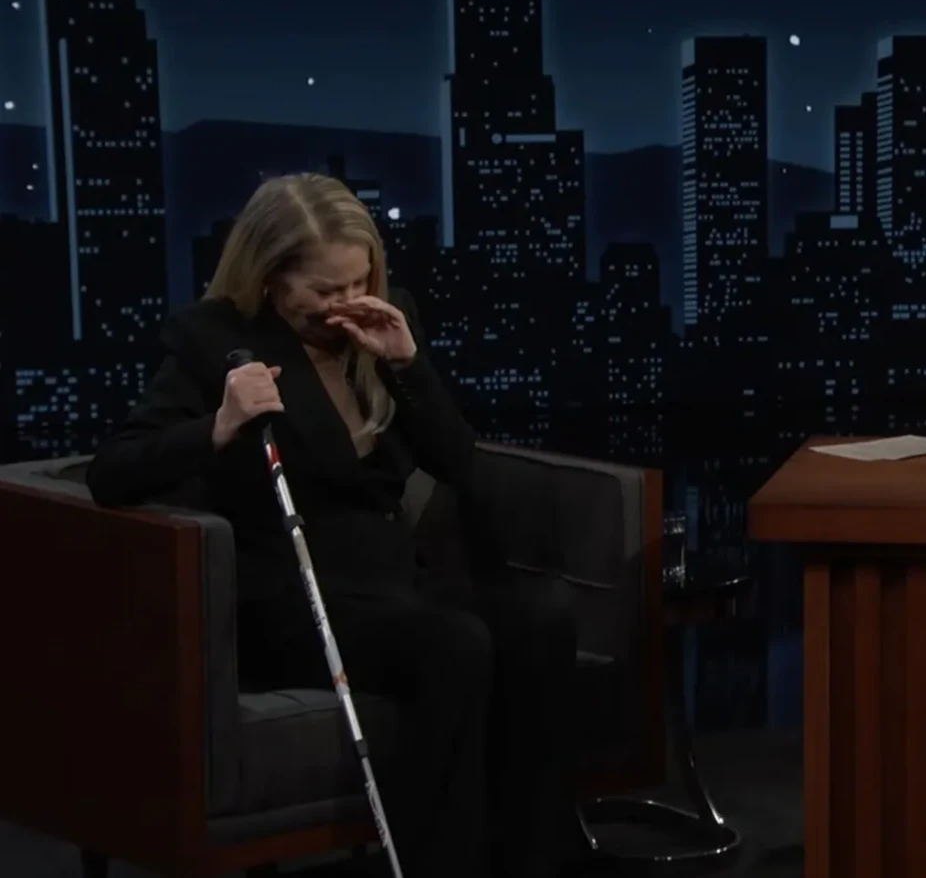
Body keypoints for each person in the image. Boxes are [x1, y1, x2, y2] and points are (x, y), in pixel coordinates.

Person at [85, 173, 580, 878]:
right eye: (324, 290)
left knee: (541, 616)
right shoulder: (215, 338)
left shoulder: (384, 323)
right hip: (290, 599)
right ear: (270, 277)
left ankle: (535, 861)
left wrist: (408, 365)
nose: (345, 303)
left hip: (394, 581)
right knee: (455, 645)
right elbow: (113, 472)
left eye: (358, 282)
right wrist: (220, 423)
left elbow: (455, 462)